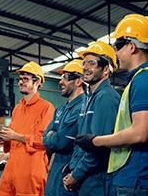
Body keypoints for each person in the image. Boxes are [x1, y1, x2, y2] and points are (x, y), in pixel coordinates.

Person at [75, 14, 148, 196]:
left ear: (132, 46)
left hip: (138, 178)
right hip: (139, 177)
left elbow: (140, 133)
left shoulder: (144, 80)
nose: (116, 54)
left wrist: (95, 141)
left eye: (118, 47)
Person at [63, 41, 120, 196]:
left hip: (97, 179)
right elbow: (81, 140)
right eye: (84, 63)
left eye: (92, 63)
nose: (86, 67)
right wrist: (72, 167)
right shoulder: (90, 98)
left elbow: (98, 147)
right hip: (85, 177)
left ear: (106, 69)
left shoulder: (106, 97)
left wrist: (76, 175)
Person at [0, 61, 55, 196]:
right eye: (20, 79)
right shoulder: (17, 108)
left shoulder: (47, 108)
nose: (21, 82)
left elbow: (44, 141)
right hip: (12, 165)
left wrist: (15, 136)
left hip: (32, 167)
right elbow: (11, 138)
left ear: (37, 81)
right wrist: (2, 136)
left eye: (26, 79)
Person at [43, 59, 85, 196]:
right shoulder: (60, 109)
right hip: (55, 173)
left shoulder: (82, 107)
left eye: (66, 77)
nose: (60, 82)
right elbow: (45, 137)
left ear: (78, 81)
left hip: (69, 172)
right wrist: (52, 136)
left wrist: (53, 135)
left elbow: (61, 142)